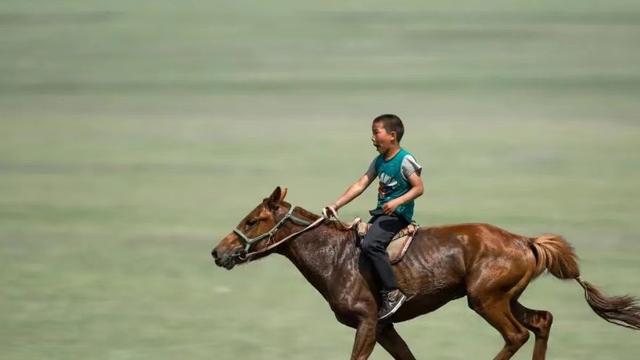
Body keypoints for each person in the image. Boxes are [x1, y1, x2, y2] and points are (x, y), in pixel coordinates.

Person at [324, 114, 424, 320]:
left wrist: (397, 202)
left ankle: (392, 292)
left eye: (376, 133)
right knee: (357, 244)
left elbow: (419, 188)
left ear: (392, 136)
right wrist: (336, 205)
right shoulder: (379, 161)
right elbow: (361, 184)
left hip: (398, 216)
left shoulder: (404, 160)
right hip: (381, 215)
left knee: (371, 245)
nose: (372, 138)